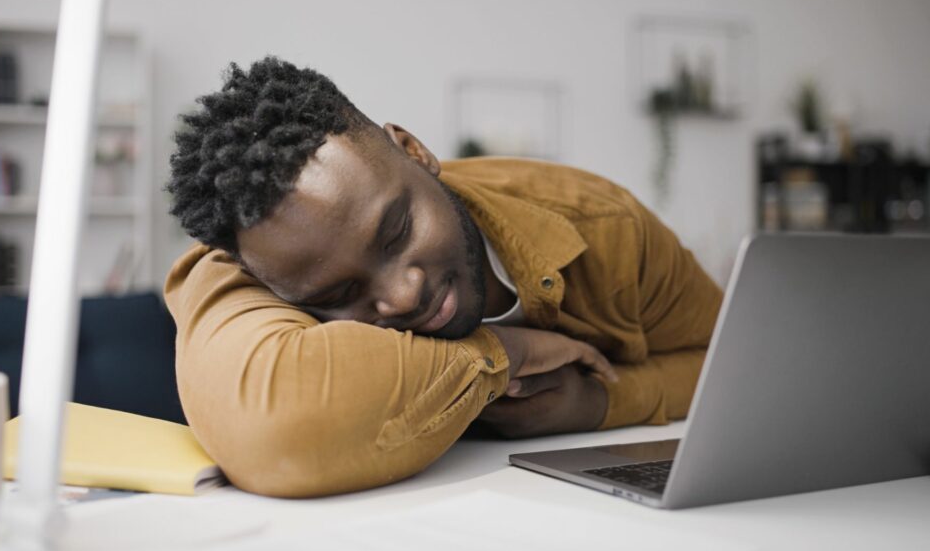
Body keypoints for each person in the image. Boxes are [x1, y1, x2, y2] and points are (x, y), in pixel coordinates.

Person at [164, 57, 723, 498]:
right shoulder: (249, 262)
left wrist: (598, 404)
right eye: (339, 295)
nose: (403, 294)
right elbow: (272, 431)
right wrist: (507, 355)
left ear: (415, 151)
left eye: (398, 230)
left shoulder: (605, 226)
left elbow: (730, 365)